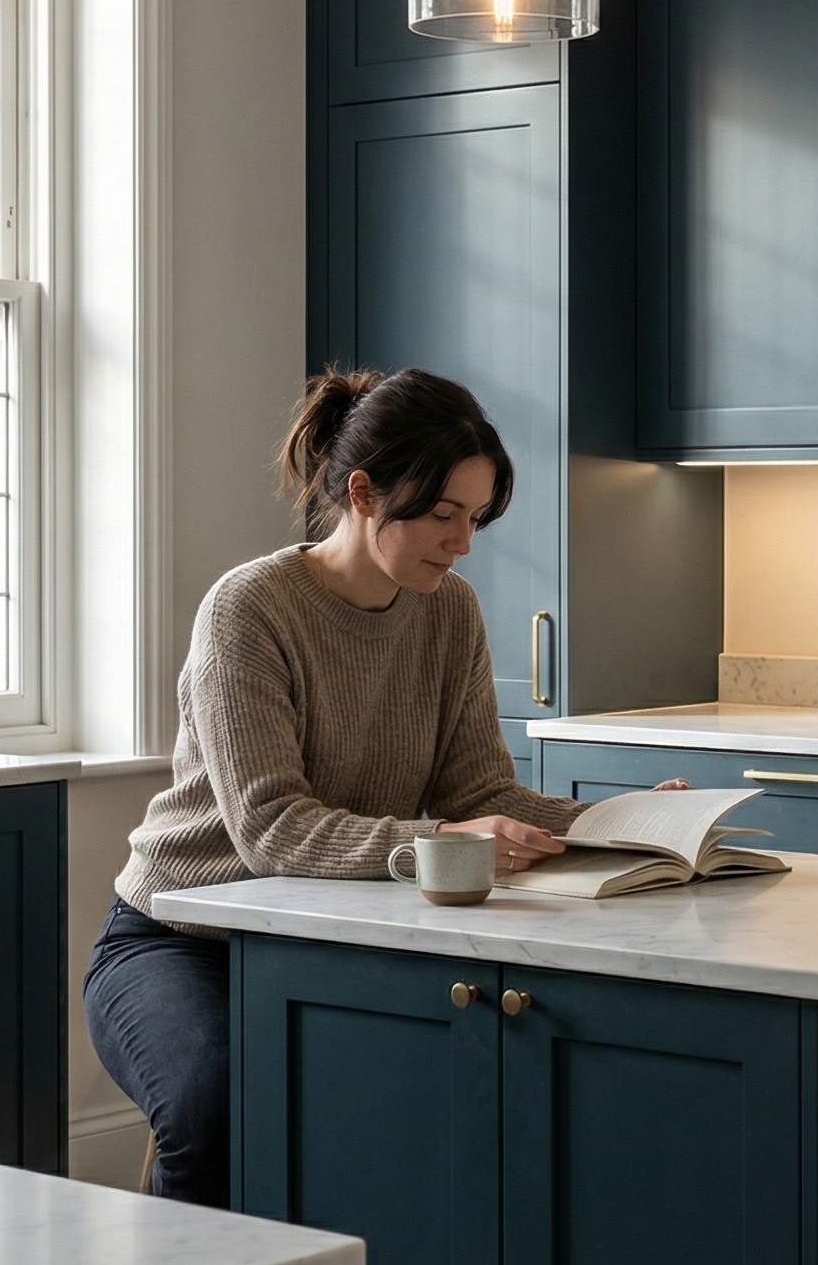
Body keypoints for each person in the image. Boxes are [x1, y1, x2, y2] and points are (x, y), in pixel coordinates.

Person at [86, 366, 592, 1206]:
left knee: (401, 1114)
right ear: (363, 492)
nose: (462, 541)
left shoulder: (451, 612)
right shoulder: (249, 608)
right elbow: (272, 829)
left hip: (328, 935)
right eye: (442, 515)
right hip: (178, 936)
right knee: (214, 1110)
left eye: (474, 518)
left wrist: (628, 822)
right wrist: (442, 844)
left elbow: (478, 793)